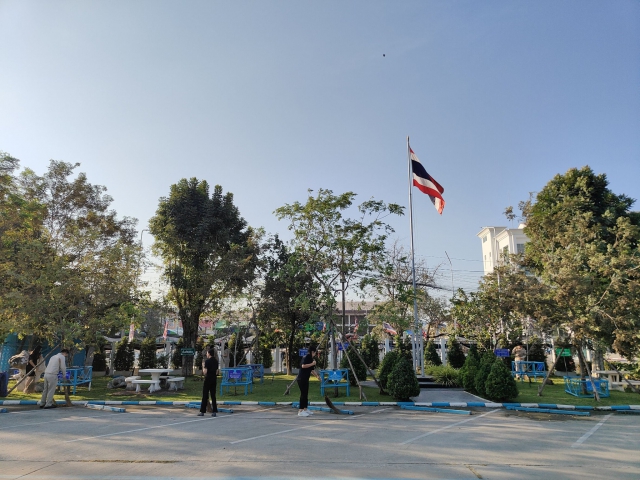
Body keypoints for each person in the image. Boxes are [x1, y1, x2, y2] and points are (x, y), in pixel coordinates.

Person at [297, 345, 319, 417]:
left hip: (305, 379)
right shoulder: (307, 357)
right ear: (312, 352)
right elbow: (303, 366)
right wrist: (312, 363)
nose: (315, 354)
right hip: (302, 378)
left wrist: (317, 376)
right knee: (303, 394)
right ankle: (300, 411)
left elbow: (312, 370)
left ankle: (305, 409)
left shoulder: (310, 358)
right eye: (315, 353)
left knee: (306, 394)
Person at [198, 348, 219, 417]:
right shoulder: (216, 361)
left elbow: (205, 372)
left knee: (205, 395)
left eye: (207, 353)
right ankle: (214, 411)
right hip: (214, 379)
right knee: (213, 395)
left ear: (209, 354)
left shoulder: (207, 361)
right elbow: (217, 372)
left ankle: (202, 411)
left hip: (208, 379)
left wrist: (203, 366)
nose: (206, 354)